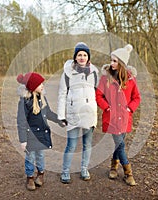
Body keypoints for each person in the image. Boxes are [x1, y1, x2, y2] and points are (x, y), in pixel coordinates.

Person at [95, 44, 141, 186]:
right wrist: (107, 108)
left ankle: (113, 167)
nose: (111, 63)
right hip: (112, 118)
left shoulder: (130, 80)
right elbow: (98, 95)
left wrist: (129, 109)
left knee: (118, 145)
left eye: (114, 61)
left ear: (121, 63)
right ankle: (128, 174)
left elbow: (137, 97)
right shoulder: (105, 78)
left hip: (125, 118)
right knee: (120, 145)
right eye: (111, 60)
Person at [57, 42, 99, 184]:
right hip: (73, 113)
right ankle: (65, 171)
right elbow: (62, 94)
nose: (82, 57)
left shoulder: (94, 73)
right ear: (75, 57)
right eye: (79, 55)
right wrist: (61, 116)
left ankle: (84, 169)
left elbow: (98, 93)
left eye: (84, 55)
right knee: (71, 144)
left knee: (87, 144)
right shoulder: (67, 73)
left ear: (88, 57)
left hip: (89, 113)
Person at [16, 72, 65, 191]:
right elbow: (21, 122)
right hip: (30, 135)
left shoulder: (42, 98)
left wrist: (59, 120)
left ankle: (41, 174)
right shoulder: (25, 102)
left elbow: (48, 113)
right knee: (30, 157)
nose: (43, 85)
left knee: (40, 155)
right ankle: (30, 177)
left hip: (41, 133)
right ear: (32, 86)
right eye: (39, 83)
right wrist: (23, 140)